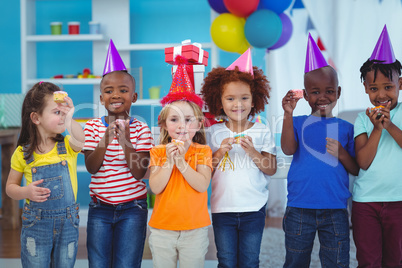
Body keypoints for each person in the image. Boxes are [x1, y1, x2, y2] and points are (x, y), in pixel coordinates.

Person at [281, 34, 359, 268]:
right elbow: (287, 149)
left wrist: (343, 154)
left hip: (335, 208)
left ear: (338, 92)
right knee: (296, 260)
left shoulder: (346, 128)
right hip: (299, 206)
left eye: (329, 91)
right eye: (315, 92)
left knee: (336, 261)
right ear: (305, 95)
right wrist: (287, 114)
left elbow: (356, 168)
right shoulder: (297, 122)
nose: (322, 97)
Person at [201, 48, 277, 268]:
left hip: (254, 208)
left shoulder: (262, 130)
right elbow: (207, 169)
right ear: (220, 101)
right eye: (230, 98)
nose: (238, 104)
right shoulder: (214, 132)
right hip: (222, 208)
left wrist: (253, 152)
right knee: (225, 260)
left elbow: (270, 168)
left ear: (254, 100)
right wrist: (219, 152)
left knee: (250, 261)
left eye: (244, 98)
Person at [83, 40, 153, 268]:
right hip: (99, 208)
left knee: (127, 263)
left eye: (123, 90)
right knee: (99, 263)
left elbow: (139, 172)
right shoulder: (92, 127)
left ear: (134, 97)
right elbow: (92, 168)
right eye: (109, 91)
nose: (116, 95)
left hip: (133, 208)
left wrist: (124, 140)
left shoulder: (142, 129)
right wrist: (105, 138)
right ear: (101, 98)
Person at [6, 81, 85, 268]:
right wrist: (26, 192)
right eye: (57, 113)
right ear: (36, 118)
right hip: (36, 225)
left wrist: (70, 116)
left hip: (68, 225)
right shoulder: (22, 153)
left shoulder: (67, 145)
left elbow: (81, 140)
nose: (62, 117)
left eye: (63, 113)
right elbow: (10, 187)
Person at [148, 56, 212, 268]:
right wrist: (169, 160)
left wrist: (182, 163)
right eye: (174, 119)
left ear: (198, 123)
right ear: (164, 125)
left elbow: (202, 185)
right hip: (162, 229)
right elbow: (156, 188)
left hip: (195, 229)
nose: (181, 125)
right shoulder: (157, 151)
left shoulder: (203, 151)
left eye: (188, 119)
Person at [352, 25, 402, 267]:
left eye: (388, 87)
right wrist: (377, 128)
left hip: (399, 200)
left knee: (395, 259)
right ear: (365, 89)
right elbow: (363, 162)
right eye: (374, 89)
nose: (381, 95)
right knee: (369, 260)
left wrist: (390, 126)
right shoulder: (363, 119)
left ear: (400, 84)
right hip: (366, 202)